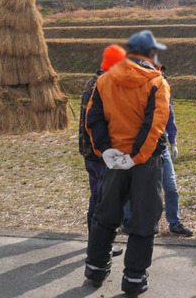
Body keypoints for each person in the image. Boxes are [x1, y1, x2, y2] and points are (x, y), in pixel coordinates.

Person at [84, 30, 171, 295]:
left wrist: (106, 151)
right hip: (145, 163)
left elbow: (93, 119)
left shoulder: (105, 80)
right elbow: (154, 125)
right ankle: (134, 279)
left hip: (114, 161)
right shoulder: (157, 83)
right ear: (150, 54)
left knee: (107, 214)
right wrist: (136, 157)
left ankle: (95, 269)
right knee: (144, 221)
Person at [78, 44, 126, 257]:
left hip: (89, 149)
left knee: (96, 195)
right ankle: (99, 246)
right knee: (102, 199)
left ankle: (94, 241)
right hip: (100, 152)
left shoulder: (91, 81)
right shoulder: (104, 84)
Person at [122, 97, 194, 237]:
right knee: (131, 184)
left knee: (171, 186)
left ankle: (174, 223)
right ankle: (127, 220)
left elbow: (169, 114)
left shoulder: (162, 87)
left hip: (160, 145)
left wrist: (173, 141)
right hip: (135, 145)